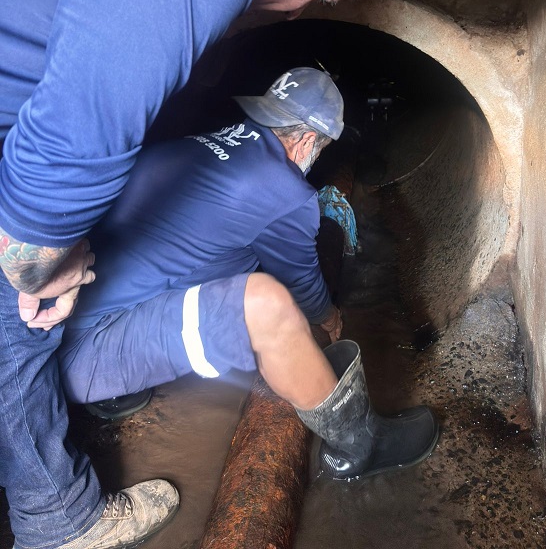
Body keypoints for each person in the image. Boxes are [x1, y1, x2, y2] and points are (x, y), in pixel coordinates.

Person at [0, 0, 417, 549]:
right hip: (70, 335)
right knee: (260, 304)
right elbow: (79, 130)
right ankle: (357, 446)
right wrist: (32, 257)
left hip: (86, 302)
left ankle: (89, 427)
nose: (299, 10)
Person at [56, 67, 438, 495]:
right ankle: (361, 445)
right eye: (322, 148)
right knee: (267, 306)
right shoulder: (284, 190)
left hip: (50, 326)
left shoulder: (190, 146)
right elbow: (304, 287)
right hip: (81, 357)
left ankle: (116, 393)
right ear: (308, 140)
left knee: (219, 257)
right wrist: (329, 317)